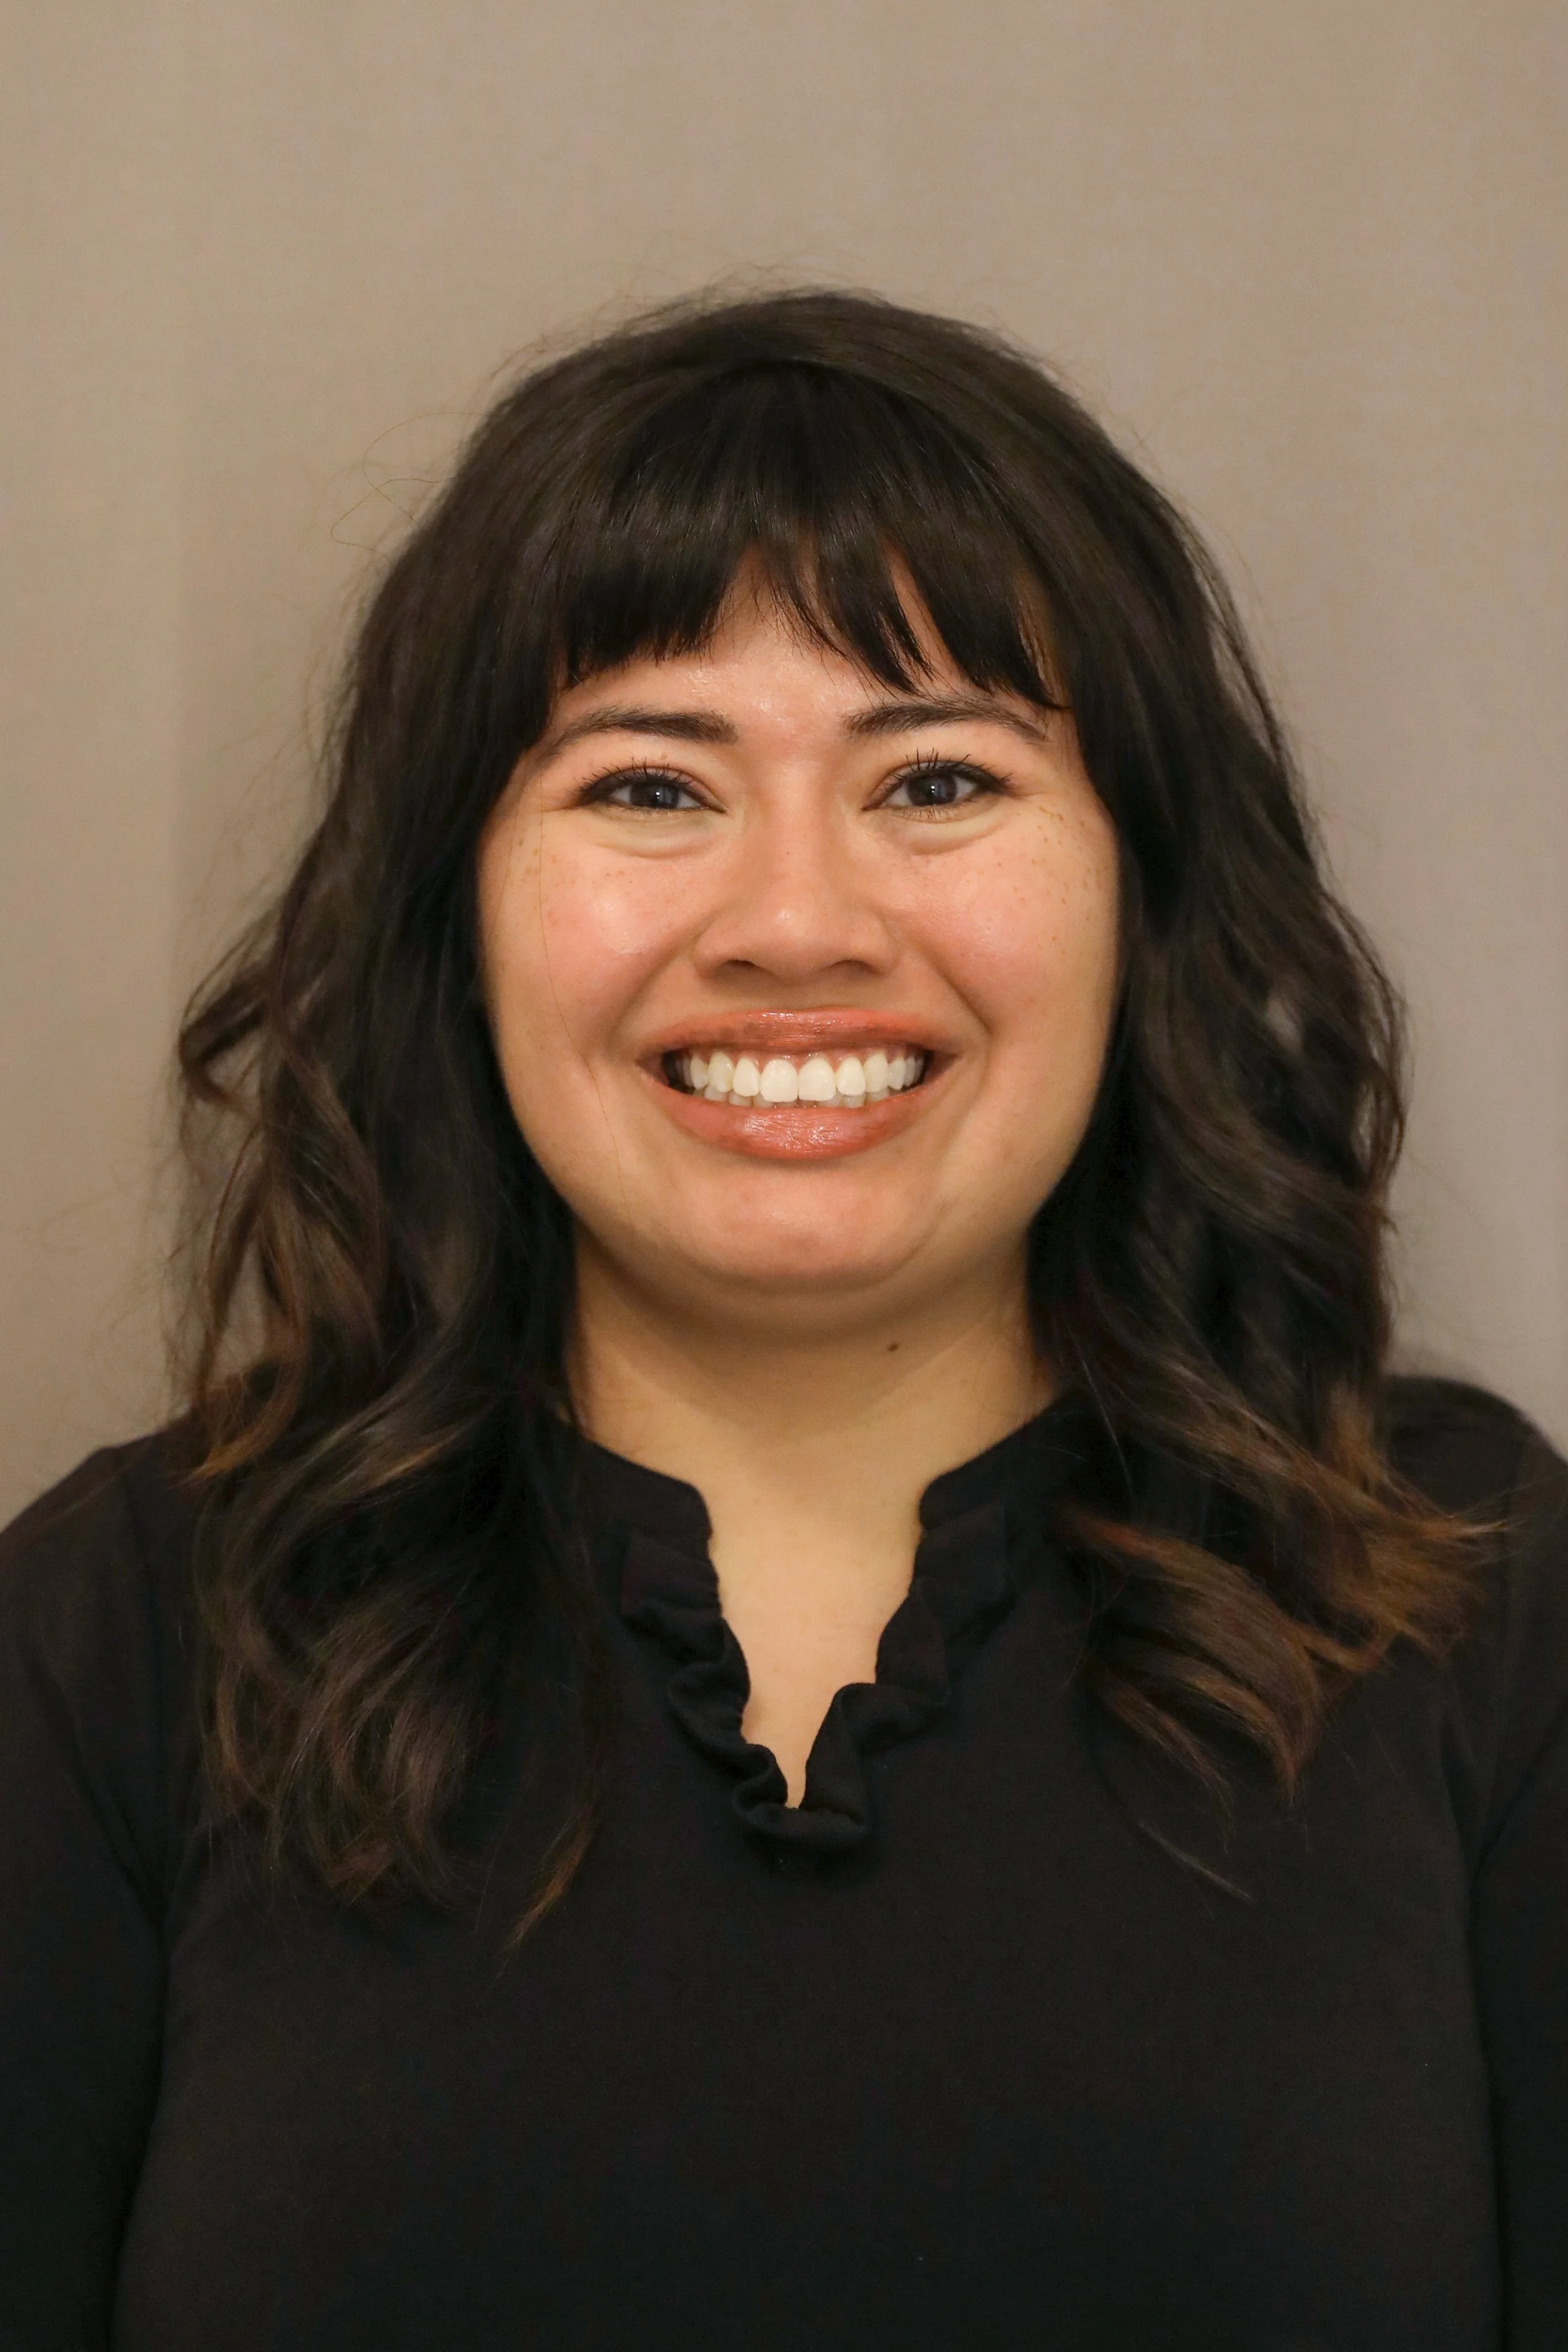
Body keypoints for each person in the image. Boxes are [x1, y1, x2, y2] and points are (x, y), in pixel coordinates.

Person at [1, 289, 1563, 2352]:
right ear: (453, 919)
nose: (797, 920)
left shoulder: (1481, 1602)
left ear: (1144, 889)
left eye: (935, 779)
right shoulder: (113, 1639)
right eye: (650, 785)